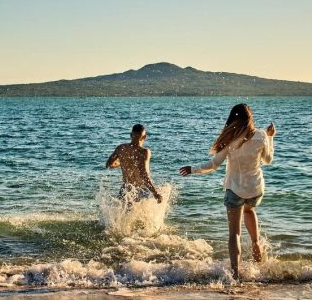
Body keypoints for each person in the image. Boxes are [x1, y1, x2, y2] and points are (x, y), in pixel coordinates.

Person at [179, 103, 276, 281]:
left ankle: (236, 274)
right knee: (250, 212)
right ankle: (259, 263)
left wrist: (192, 169)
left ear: (233, 119)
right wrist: (270, 137)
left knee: (235, 234)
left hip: (235, 190)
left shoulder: (231, 138)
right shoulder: (262, 135)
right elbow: (268, 160)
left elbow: (214, 165)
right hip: (255, 190)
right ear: (250, 118)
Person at [106, 124, 163, 205]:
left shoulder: (121, 148)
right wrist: (155, 193)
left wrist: (121, 162)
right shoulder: (144, 152)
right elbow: (144, 174)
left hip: (125, 189)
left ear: (130, 135)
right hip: (141, 190)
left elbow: (108, 164)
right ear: (144, 137)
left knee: (122, 214)